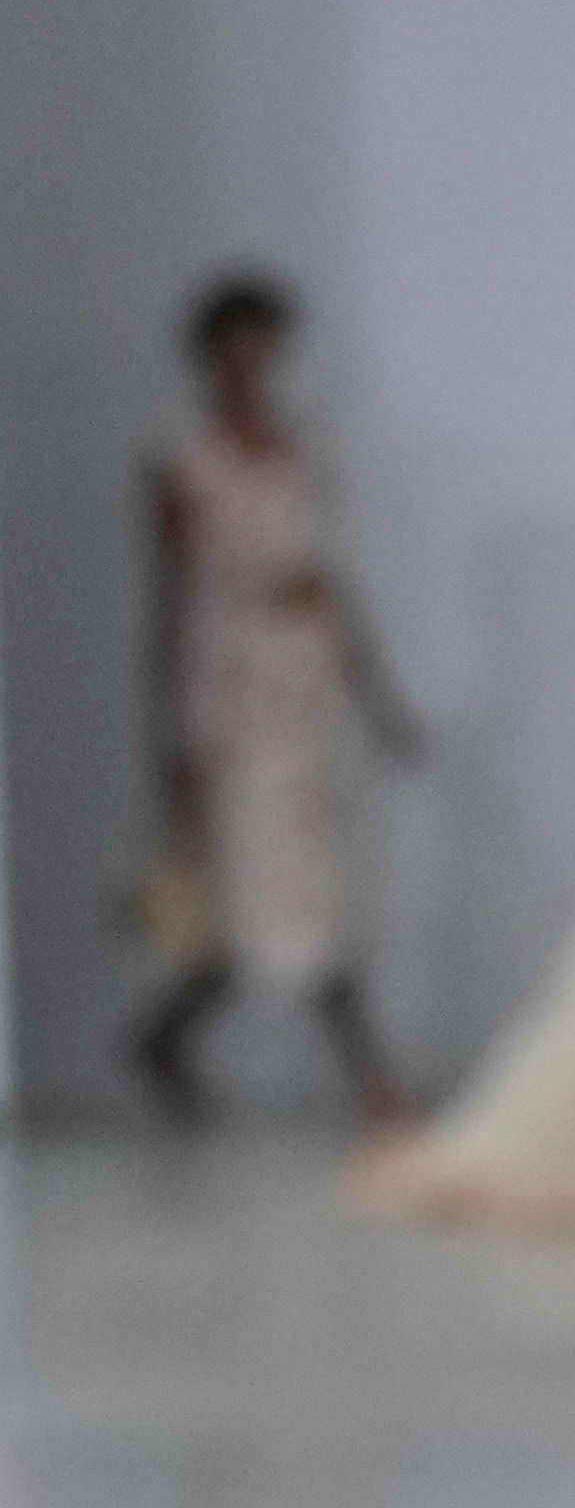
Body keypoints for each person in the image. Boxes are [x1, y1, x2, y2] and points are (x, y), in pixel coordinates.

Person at [131, 271, 419, 1124]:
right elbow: (169, 599)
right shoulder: (183, 461)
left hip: (307, 687)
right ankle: (368, 1069)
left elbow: (326, 580)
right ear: (209, 354)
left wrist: (376, 690)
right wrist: (170, 733)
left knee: (310, 887)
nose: (252, 361)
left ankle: (167, 1037)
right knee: (262, 890)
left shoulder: (303, 451)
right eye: (236, 344)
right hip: (229, 691)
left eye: (265, 343)